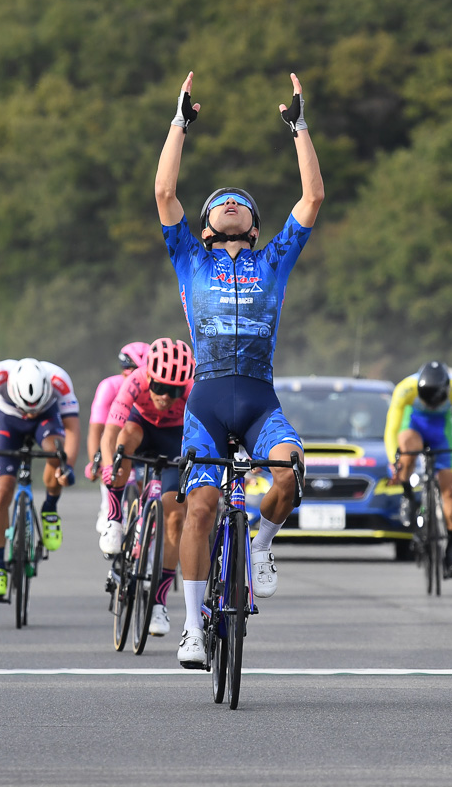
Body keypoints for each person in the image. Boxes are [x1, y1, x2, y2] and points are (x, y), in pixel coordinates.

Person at [154, 70, 323, 668]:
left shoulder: (275, 259)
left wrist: (299, 127)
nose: (231, 202)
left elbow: (311, 200)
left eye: (242, 204)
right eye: (220, 202)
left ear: (254, 227)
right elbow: (164, 194)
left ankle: (262, 545)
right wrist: (179, 123)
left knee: (290, 473)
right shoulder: (189, 256)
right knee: (198, 510)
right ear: (205, 227)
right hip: (205, 404)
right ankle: (193, 629)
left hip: (258, 401)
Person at [99, 338, 195, 637]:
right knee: (124, 440)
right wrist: (108, 469)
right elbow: (110, 431)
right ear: (149, 378)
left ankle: (158, 603)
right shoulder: (135, 382)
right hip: (141, 427)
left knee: (175, 517)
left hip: (175, 437)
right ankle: (115, 520)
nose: (166, 397)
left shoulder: (193, 390)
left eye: (174, 390)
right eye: (160, 388)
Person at [0, 358, 79, 601]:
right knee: (2, 489)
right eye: (27, 407)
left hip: (46, 419)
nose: (29, 411)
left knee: (55, 453)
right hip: (8, 420)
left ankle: (50, 508)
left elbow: (73, 428)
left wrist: (67, 467)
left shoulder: (59, 380)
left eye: (34, 406)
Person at [385, 361, 452, 578]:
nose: (432, 405)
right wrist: (394, 461)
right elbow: (392, 429)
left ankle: (451, 551)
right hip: (414, 427)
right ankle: (408, 496)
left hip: (440, 433)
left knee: (449, 491)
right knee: (406, 449)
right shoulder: (405, 388)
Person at [86, 342, 149, 534]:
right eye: (125, 370)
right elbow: (97, 429)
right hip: (115, 442)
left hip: (142, 439)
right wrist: (95, 463)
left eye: (135, 370)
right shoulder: (109, 386)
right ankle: (108, 505)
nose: (129, 376)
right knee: (111, 463)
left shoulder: (153, 388)